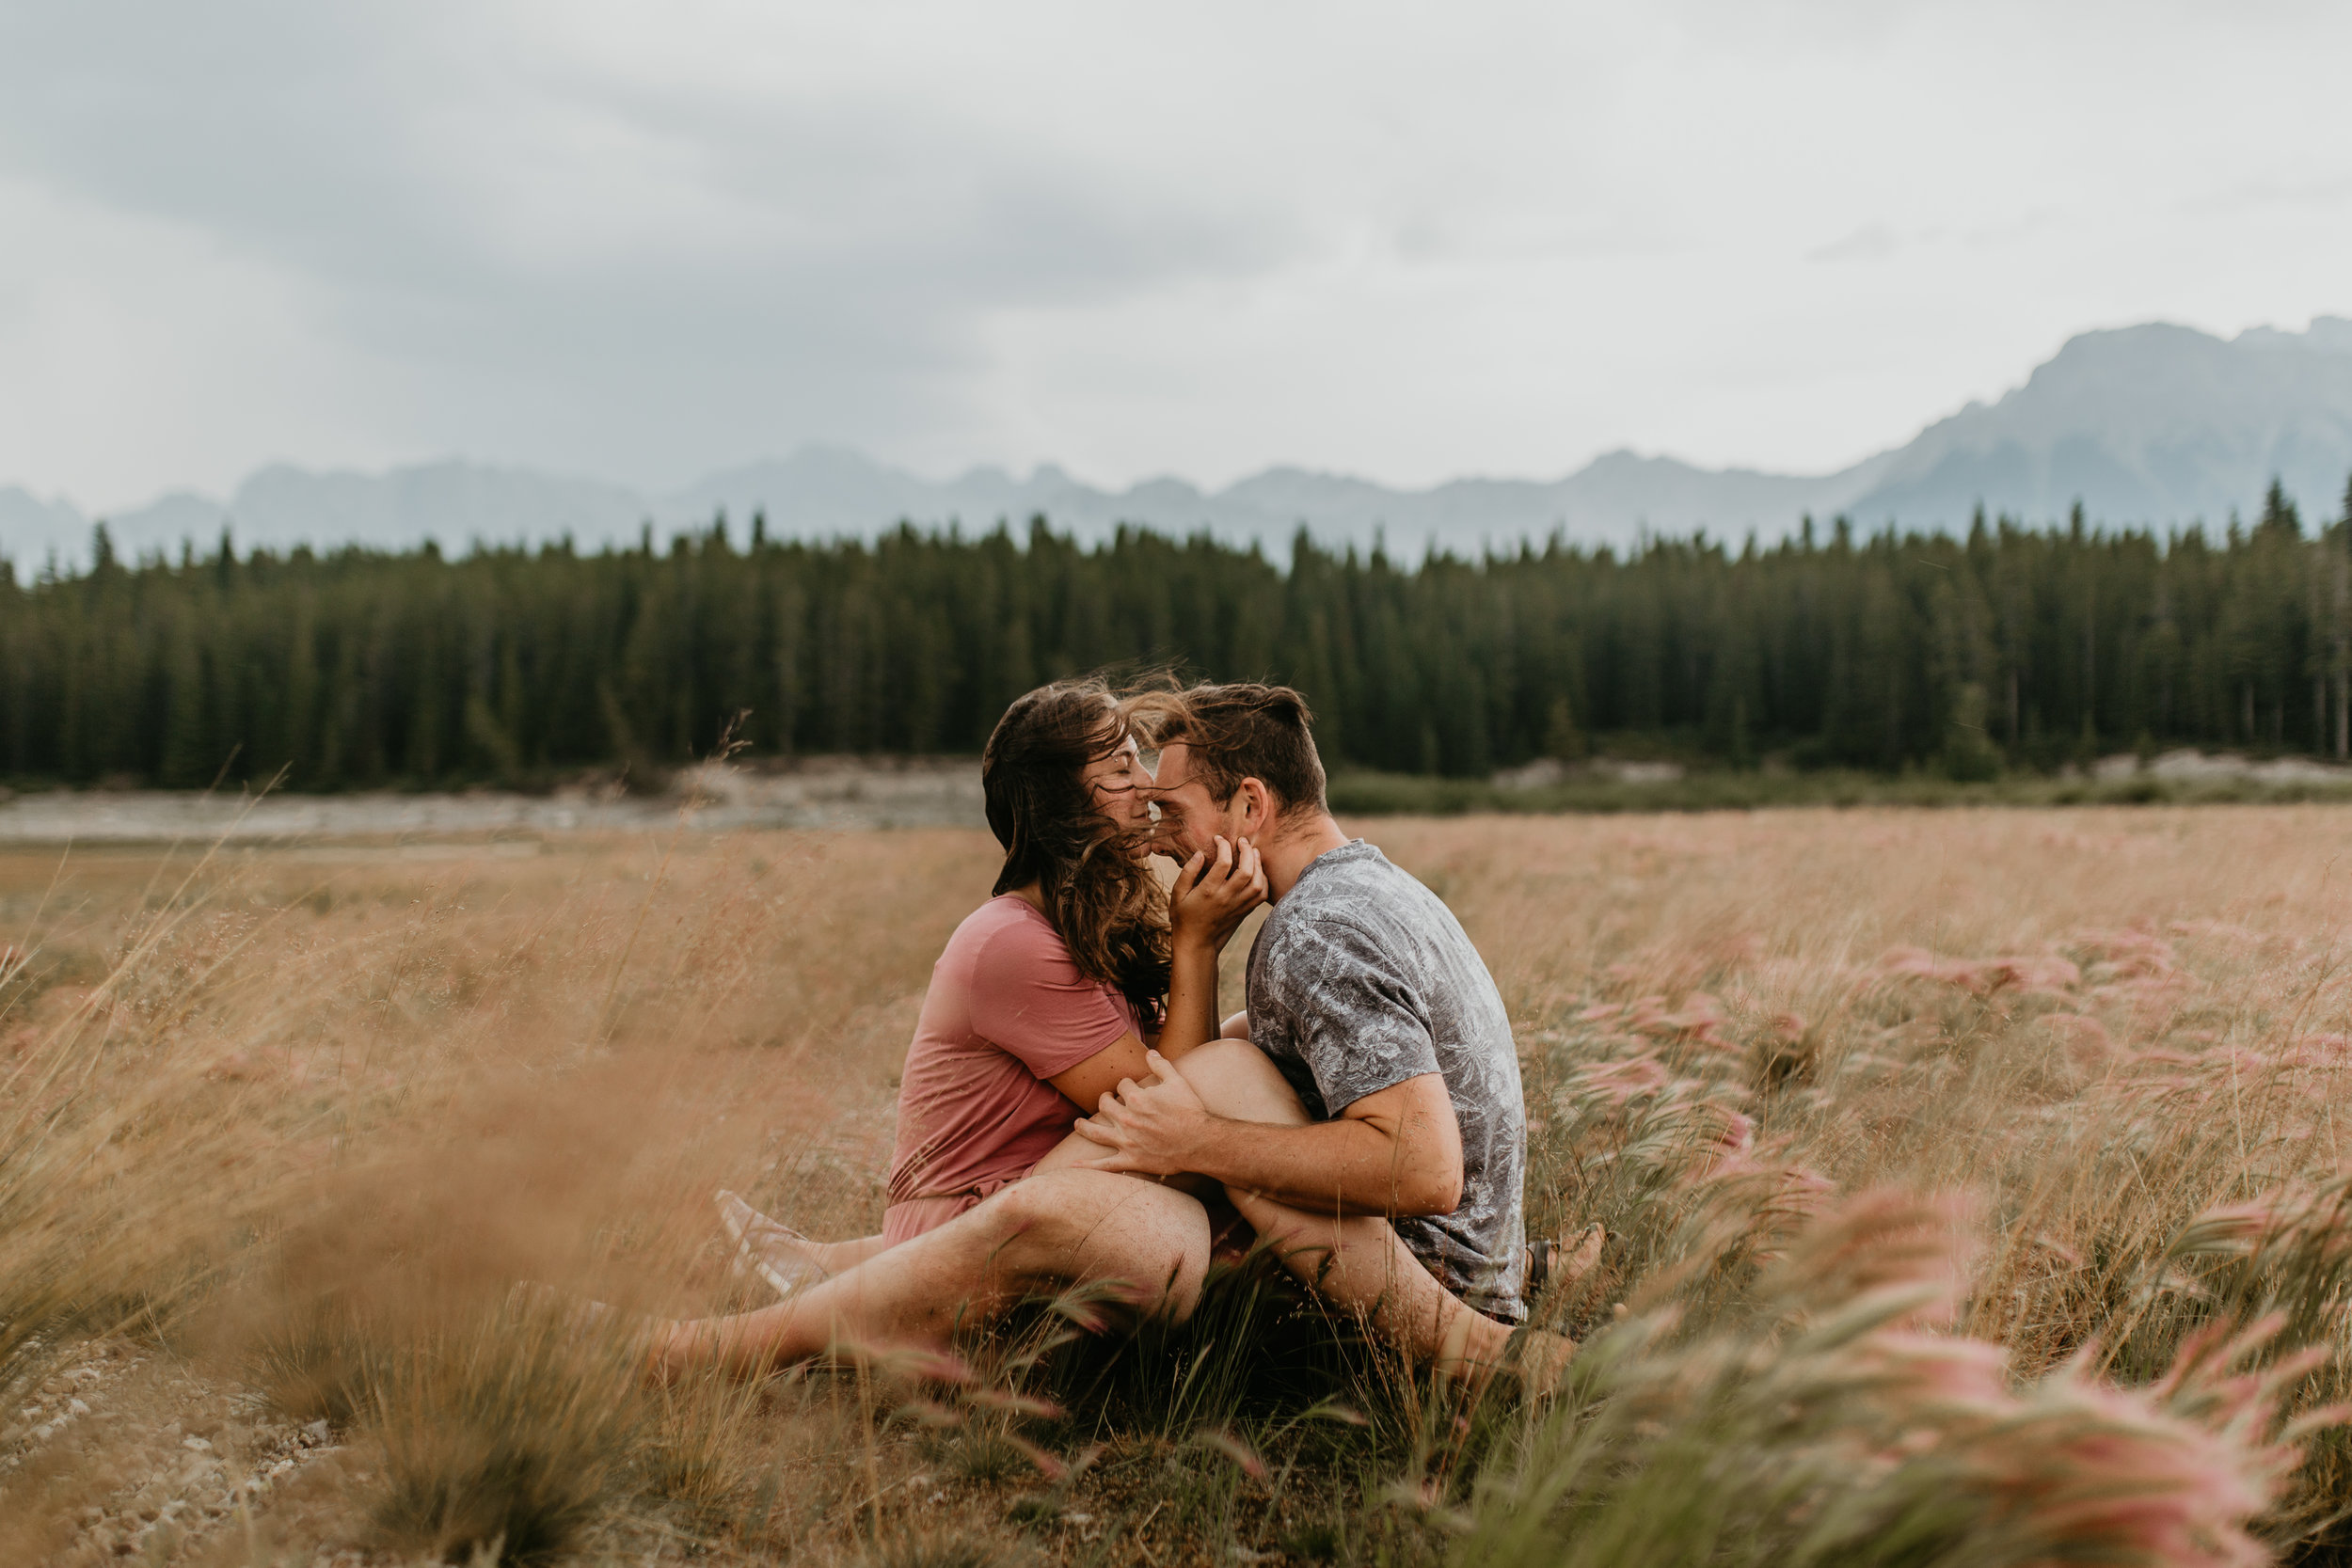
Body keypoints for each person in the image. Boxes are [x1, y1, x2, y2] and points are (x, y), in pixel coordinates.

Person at [650, 680, 1265, 1378]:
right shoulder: (1013, 943)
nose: (1149, 789)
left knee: (1242, 1044)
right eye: (1121, 769)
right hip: (967, 1235)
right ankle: (710, 1346)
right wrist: (1198, 944)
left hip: (1047, 1196)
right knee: (1197, 1117)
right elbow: (1165, 1122)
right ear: (1061, 802)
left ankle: (815, 1264)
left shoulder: (1090, 926)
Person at [1069, 682, 1551, 1381]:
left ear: (1251, 805)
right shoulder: (1371, 886)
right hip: (1469, 1277)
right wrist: (1195, 949)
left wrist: (1195, 1142)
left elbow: (1424, 1168)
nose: (1162, 841)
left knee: (1109, 1317)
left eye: (1174, 812)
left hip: (1420, 1306)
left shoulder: (1316, 931)